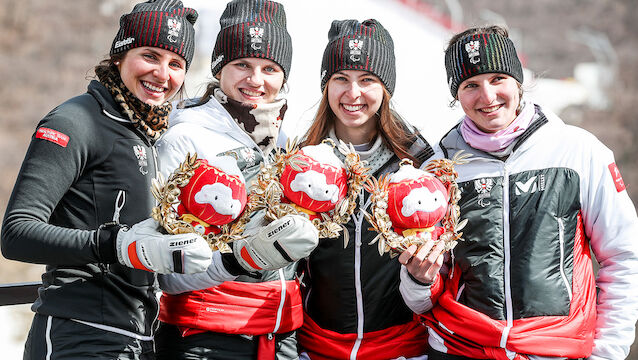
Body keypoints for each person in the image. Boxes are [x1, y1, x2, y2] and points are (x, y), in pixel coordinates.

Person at [398, 25, 638, 360]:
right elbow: (422, 299)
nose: (487, 96)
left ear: (518, 81)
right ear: (456, 95)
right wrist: (418, 279)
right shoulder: (439, 167)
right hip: (460, 349)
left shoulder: (578, 151)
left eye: (497, 79)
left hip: (556, 350)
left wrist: (608, 351)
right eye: (470, 85)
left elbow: (624, 256)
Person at [0, 1, 217, 359]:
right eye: (150, 55)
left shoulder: (150, 133)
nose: (163, 74)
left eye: (176, 63)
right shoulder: (75, 121)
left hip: (138, 340)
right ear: (120, 55)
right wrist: (118, 245)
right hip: (77, 335)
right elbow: (16, 234)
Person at [153, 1, 318, 359]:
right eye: (242, 64)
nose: (255, 80)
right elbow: (163, 271)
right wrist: (238, 258)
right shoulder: (185, 137)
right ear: (219, 68)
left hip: (279, 335)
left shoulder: (286, 144)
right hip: (205, 336)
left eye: (269, 68)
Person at [297, 19, 435, 360]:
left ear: (385, 88)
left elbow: (440, 264)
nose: (352, 93)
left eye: (367, 80)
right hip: (317, 347)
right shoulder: (302, 161)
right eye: (340, 78)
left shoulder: (418, 162)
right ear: (325, 85)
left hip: (401, 347)